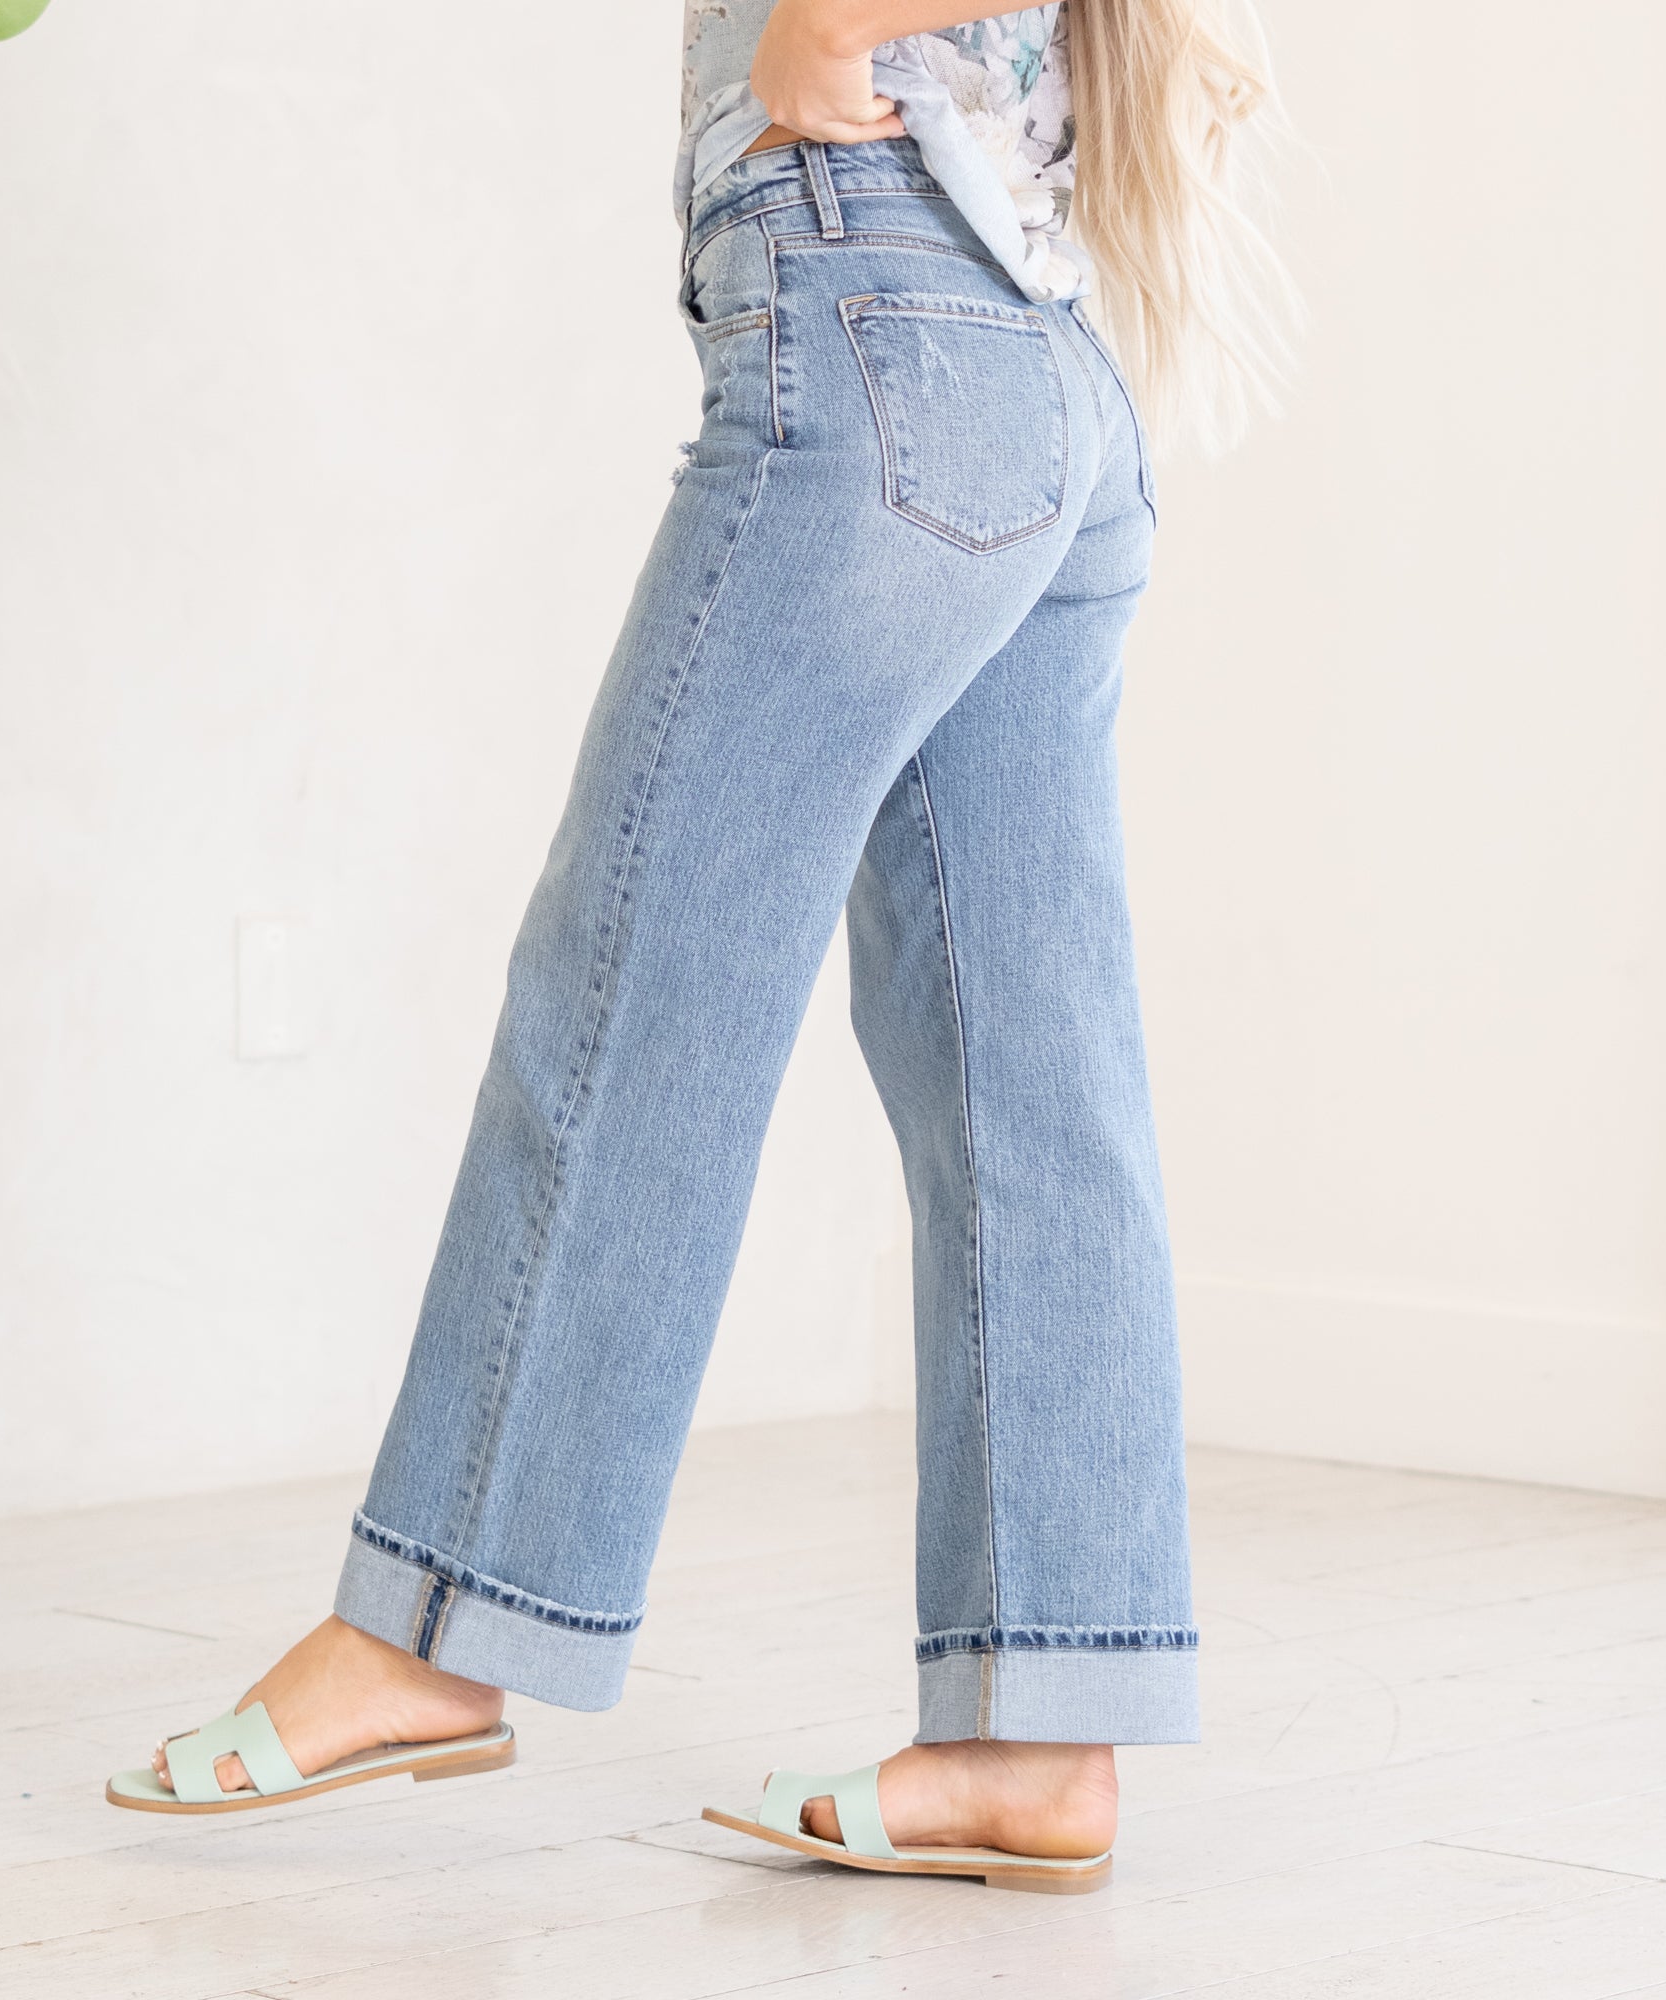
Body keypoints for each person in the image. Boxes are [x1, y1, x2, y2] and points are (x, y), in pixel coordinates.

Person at [106, 0, 1289, 1893]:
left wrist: (834, 19)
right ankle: (1040, 1730)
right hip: (1036, 366)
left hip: (887, 324)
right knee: (1026, 1077)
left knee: (639, 980)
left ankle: (437, 1627)